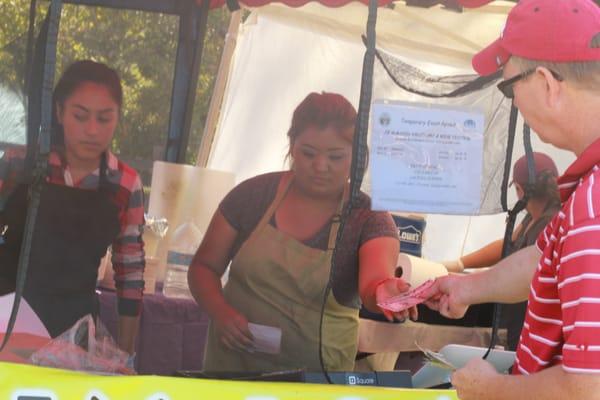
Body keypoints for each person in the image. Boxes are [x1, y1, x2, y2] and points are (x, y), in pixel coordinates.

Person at [423, 0, 600, 398]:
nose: (513, 101)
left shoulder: (592, 209)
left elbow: (589, 389)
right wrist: (467, 287)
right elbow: (547, 257)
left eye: (508, 86)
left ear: (546, 84)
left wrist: (490, 388)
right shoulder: (588, 195)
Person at [188, 92, 415, 372]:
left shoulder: (369, 218)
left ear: (356, 156)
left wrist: (386, 291)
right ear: (292, 146)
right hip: (233, 371)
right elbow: (203, 267)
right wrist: (220, 312)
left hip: (317, 381)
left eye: (335, 156)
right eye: (308, 153)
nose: (320, 166)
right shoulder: (252, 196)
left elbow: (374, 283)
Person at [0, 60, 145, 354]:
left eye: (104, 119)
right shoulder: (20, 163)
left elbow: (130, 273)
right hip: (8, 320)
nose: (92, 130)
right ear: (59, 112)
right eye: (80, 116)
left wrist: (127, 354)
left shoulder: (125, 183)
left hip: (73, 331)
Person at [443, 152, 561, 350]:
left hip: (531, 326)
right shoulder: (533, 216)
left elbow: (524, 271)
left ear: (519, 189)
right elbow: (506, 244)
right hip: (517, 319)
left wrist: (471, 282)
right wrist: (461, 264)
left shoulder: (548, 224)